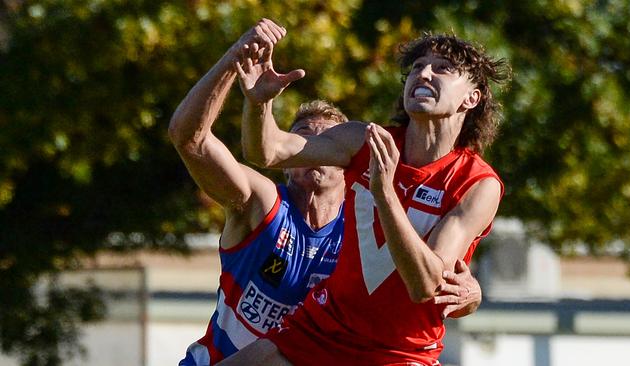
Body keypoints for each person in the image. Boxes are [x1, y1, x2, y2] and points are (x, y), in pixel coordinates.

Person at [223, 19, 510, 365]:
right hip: (321, 329)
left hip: (399, 353)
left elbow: (424, 285)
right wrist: (258, 103)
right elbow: (267, 151)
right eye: (417, 67)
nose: (424, 74)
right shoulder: (365, 140)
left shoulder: (478, 183)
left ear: (471, 98)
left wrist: (385, 194)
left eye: (443, 69)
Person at [169, 23, 347, 364]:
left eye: (324, 142)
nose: (310, 147)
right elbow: (188, 138)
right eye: (301, 138)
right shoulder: (263, 203)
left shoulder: (363, 228)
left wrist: (470, 295)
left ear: (346, 162)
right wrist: (233, 59)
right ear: (286, 158)